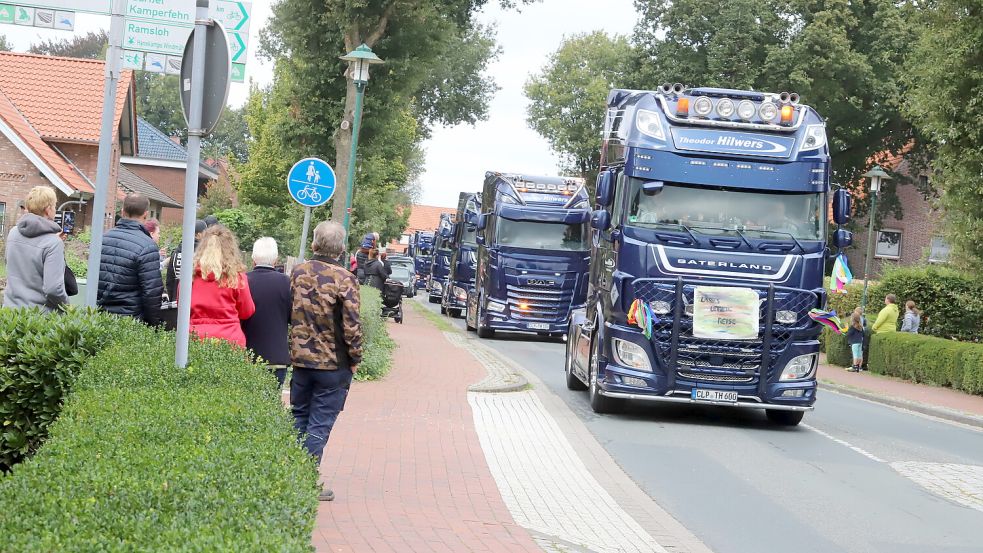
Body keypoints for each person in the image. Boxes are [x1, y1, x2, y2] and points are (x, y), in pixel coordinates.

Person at [289, 220, 362, 502]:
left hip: (301, 360)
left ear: (314, 244)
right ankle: (306, 480)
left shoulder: (298, 272)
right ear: (342, 249)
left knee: (298, 416)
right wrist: (355, 359)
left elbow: (290, 311)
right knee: (319, 423)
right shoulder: (345, 279)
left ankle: (289, 474)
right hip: (332, 364)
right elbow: (352, 326)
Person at [97, 193, 163, 325]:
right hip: (129, 321)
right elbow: (151, 292)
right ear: (145, 214)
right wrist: (155, 324)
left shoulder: (102, 239)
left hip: (99, 317)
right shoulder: (148, 246)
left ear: (122, 212)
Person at [188, 226, 255, 347]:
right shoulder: (236, 277)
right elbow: (247, 311)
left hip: (195, 338)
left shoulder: (190, 277)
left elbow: (182, 307)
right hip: (230, 340)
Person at [3, 186, 67, 310]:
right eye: (54, 206)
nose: (55, 209)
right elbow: (53, 288)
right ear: (48, 209)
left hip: (11, 313)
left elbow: (12, 267)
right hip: (38, 317)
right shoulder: (53, 243)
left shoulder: (13, 233)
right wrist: (67, 306)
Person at [243, 237, 292, 388]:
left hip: (247, 356)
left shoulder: (243, 281)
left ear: (253, 259)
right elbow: (292, 317)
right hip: (276, 356)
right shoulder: (286, 282)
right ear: (276, 260)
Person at [165, 219, 206, 299]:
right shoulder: (202, 253)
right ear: (198, 235)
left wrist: (172, 297)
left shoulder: (176, 252)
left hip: (176, 299)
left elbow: (169, 280)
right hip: (195, 301)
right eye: (205, 233)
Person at [846, 308, 865, 372]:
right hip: (860, 342)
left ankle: (854, 366)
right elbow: (863, 334)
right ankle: (857, 367)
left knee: (855, 355)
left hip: (854, 342)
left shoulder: (852, 326)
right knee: (859, 354)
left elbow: (848, 334)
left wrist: (846, 331)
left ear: (852, 319)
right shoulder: (860, 326)